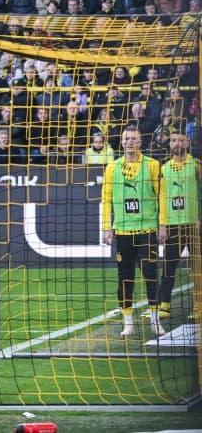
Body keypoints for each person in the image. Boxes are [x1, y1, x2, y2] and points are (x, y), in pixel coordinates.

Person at [102, 125, 163, 337]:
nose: (130, 142)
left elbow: (161, 197)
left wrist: (162, 224)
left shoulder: (153, 166)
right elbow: (106, 199)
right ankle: (128, 322)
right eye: (126, 139)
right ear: (121, 142)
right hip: (123, 233)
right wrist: (106, 227)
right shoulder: (112, 168)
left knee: (151, 275)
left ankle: (155, 320)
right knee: (125, 278)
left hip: (147, 231)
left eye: (134, 139)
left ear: (140, 142)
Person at [156, 131, 201, 320]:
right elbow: (161, 198)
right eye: (173, 140)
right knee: (168, 267)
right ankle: (163, 305)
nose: (176, 143)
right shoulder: (164, 168)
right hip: (173, 225)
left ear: (187, 142)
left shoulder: (196, 165)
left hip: (193, 224)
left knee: (197, 268)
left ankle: (199, 305)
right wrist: (162, 224)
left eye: (180, 140)